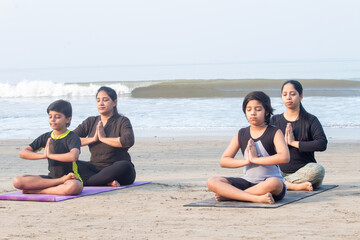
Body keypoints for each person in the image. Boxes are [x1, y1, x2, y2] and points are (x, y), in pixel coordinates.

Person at [207, 91, 290, 204]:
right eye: (249, 109)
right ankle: (254, 197)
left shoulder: (274, 132)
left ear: (267, 112)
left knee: (275, 183)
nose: (253, 113)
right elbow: (224, 161)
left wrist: (256, 160)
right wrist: (247, 161)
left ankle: (233, 195)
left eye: (258, 109)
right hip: (248, 181)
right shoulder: (241, 133)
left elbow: (284, 157)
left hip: (268, 182)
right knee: (212, 181)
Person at [13, 100, 83, 195]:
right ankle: (57, 183)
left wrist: (50, 155)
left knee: (74, 187)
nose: (52, 120)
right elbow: (23, 153)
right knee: (18, 181)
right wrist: (44, 155)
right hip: (51, 179)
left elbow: (73, 156)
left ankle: (38, 191)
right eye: (50, 117)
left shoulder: (72, 137)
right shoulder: (46, 137)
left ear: (68, 119)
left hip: (70, 178)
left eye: (57, 117)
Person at [270, 80, 327, 191]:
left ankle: (281, 184)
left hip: (304, 171)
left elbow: (322, 144)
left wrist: (293, 143)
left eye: (293, 94)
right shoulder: (275, 120)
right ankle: (291, 185)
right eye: (285, 94)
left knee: (318, 170)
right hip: (280, 171)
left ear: (300, 96)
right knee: (257, 167)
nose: (288, 98)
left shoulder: (310, 120)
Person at [73, 86, 136, 187]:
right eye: (98, 100)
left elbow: (128, 141)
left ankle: (87, 182)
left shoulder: (122, 121)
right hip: (95, 167)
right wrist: (93, 139)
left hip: (116, 168)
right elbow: (70, 139)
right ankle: (105, 181)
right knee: (70, 163)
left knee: (125, 166)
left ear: (114, 102)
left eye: (105, 100)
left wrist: (103, 139)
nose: (101, 103)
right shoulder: (90, 121)